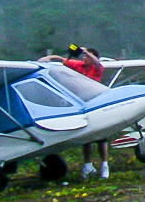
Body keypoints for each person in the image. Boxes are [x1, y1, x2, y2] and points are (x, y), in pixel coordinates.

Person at [40, 45, 110, 180]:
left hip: (96, 104)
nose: (84, 58)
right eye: (83, 56)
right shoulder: (79, 65)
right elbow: (63, 60)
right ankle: (88, 166)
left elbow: (97, 63)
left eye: (87, 56)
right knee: (86, 139)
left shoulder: (97, 68)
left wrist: (85, 52)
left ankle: (104, 166)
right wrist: (50, 57)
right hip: (82, 105)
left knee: (101, 139)